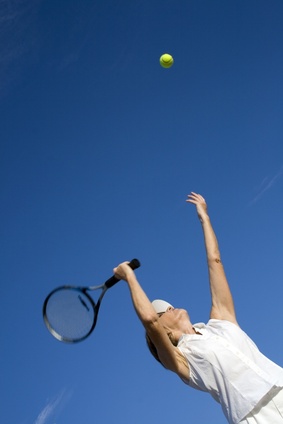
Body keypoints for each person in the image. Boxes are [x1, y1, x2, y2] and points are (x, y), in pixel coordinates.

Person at [113, 192, 283, 424]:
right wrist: (129, 276)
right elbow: (150, 321)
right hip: (255, 417)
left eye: (168, 305)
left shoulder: (221, 322)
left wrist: (205, 218)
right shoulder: (182, 359)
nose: (170, 307)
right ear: (166, 334)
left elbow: (215, 261)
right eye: (163, 311)